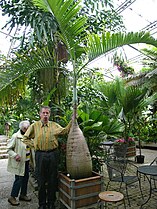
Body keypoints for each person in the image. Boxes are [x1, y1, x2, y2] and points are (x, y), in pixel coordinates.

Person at [22, 106, 72, 209]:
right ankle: (42, 204)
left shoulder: (54, 125)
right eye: (43, 113)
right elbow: (25, 138)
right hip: (40, 155)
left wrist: (72, 120)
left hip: (53, 154)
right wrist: (34, 145)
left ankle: (51, 203)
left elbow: (65, 131)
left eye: (47, 113)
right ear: (40, 114)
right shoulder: (34, 126)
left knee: (52, 180)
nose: (45, 115)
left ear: (49, 114)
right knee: (41, 180)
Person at [7, 120, 31, 206]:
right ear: (21, 128)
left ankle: (23, 195)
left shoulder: (28, 136)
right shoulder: (15, 136)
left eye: (28, 128)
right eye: (25, 128)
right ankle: (12, 197)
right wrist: (15, 155)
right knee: (18, 180)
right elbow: (8, 149)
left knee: (25, 179)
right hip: (19, 162)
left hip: (27, 162)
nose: (26, 129)